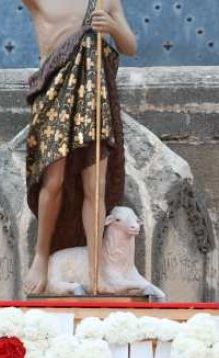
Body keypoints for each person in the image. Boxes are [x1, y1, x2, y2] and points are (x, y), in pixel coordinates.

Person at [22, 0, 137, 294]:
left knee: (94, 186)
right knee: (53, 181)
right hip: (54, 95)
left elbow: (130, 45)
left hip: (93, 102)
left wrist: (112, 27)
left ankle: (95, 269)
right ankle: (41, 255)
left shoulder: (104, 0)